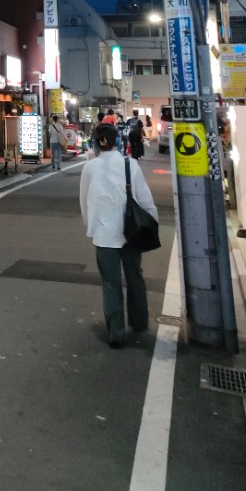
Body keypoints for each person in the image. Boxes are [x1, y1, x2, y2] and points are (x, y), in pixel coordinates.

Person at [79, 122, 158, 349]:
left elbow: (84, 202)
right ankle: (140, 321)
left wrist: (90, 226)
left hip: (104, 234)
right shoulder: (129, 165)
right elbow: (145, 199)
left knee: (111, 283)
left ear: (95, 143)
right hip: (131, 232)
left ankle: (116, 332)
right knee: (135, 276)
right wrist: (151, 224)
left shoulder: (90, 168)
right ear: (117, 142)